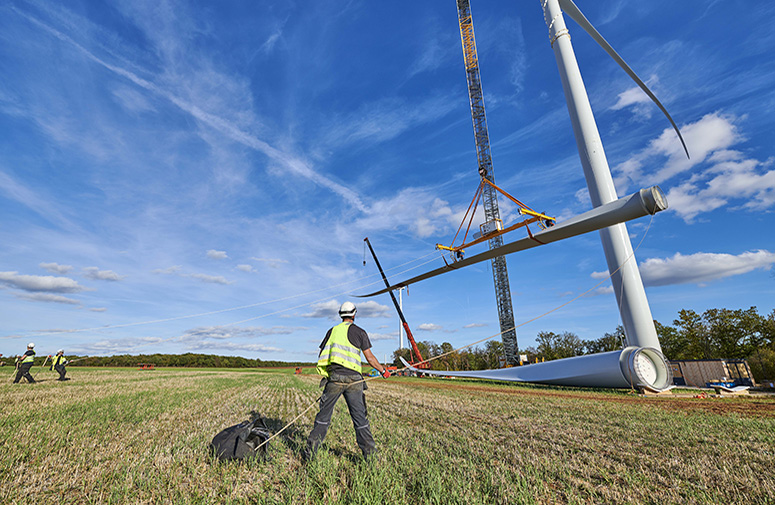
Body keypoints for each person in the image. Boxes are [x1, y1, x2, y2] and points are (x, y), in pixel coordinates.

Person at [303, 301, 390, 461]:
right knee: (360, 420)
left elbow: (322, 354)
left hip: (335, 379)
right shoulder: (360, 332)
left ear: (340, 314)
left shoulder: (332, 331)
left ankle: (310, 455)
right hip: (354, 381)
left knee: (323, 419)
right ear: (354, 314)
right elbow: (369, 358)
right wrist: (383, 370)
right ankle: (370, 459)